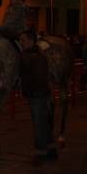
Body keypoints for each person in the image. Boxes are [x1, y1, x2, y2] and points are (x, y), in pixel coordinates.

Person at [19, 30, 57, 166]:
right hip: (38, 94)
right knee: (43, 123)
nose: (21, 43)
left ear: (30, 41)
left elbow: (38, 77)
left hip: (37, 94)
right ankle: (51, 149)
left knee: (39, 124)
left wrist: (31, 90)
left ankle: (41, 152)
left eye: (23, 40)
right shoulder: (33, 55)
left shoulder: (34, 56)